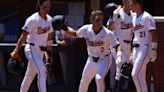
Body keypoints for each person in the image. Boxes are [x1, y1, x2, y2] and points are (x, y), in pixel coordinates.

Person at [58, 10, 122, 92]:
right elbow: (75, 34)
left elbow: (117, 45)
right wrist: (63, 30)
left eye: (101, 20)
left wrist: (119, 56)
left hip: (104, 59)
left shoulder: (108, 33)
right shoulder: (86, 29)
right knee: (84, 81)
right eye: (97, 20)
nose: (99, 22)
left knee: (99, 78)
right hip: (91, 60)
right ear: (91, 20)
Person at [10, 0, 53, 92]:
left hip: (41, 50)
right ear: (39, 5)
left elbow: (49, 38)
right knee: (42, 71)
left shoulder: (49, 19)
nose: (47, 8)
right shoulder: (32, 19)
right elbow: (23, 36)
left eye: (48, 6)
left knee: (30, 75)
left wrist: (49, 54)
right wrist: (16, 50)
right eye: (45, 6)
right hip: (32, 48)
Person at [106, 0, 134, 92]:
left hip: (129, 45)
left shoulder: (133, 15)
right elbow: (110, 30)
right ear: (124, 1)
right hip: (118, 44)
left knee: (123, 71)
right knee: (122, 66)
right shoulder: (117, 13)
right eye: (127, 0)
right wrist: (113, 17)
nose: (129, 3)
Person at [130, 0, 158, 92]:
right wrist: (131, 52)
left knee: (135, 75)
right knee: (140, 77)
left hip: (145, 47)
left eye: (131, 4)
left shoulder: (147, 17)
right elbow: (135, 35)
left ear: (137, 5)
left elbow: (154, 33)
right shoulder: (134, 17)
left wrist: (154, 50)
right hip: (136, 48)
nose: (129, 5)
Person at [54, 15, 76, 92]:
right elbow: (57, 40)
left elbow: (74, 39)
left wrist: (66, 42)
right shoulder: (57, 30)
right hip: (62, 50)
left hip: (70, 50)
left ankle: (71, 87)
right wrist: (62, 42)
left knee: (70, 69)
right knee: (64, 69)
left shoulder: (70, 30)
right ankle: (66, 86)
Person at [0, 23, 6, 87]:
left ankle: (4, 85)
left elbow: (1, 37)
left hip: (0, 48)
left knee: (1, 67)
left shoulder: (1, 25)